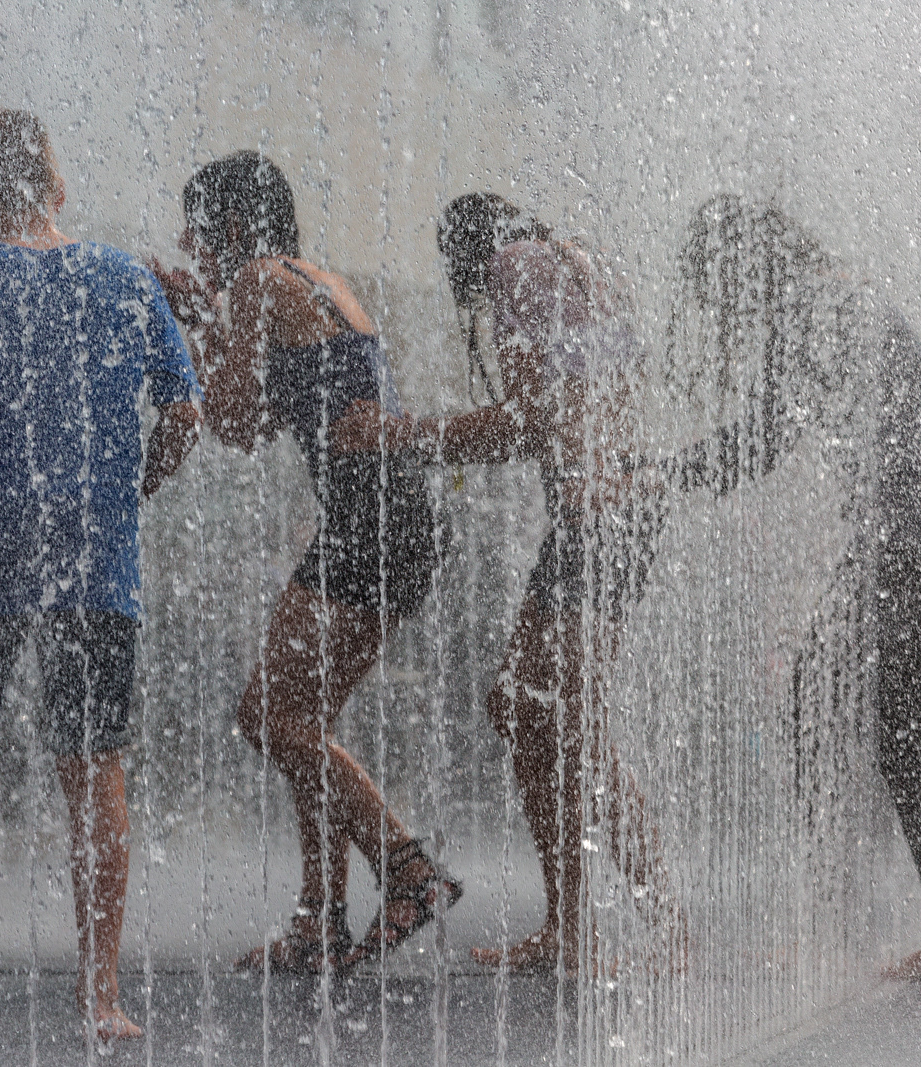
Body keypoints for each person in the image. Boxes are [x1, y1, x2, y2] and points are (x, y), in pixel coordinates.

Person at [0, 109, 202, 1040]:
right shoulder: (124, 276)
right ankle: (99, 991)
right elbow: (183, 413)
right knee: (94, 769)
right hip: (91, 555)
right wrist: (127, 492)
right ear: (55, 188)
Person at [331, 193, 674, 974]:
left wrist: (402, 435)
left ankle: (644, 928)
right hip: (621, 508)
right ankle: (583, 927)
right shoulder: (577, 262)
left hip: (599, 514)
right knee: (535, 712)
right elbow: (586, 403)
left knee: (554, 719)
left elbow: (526, 422)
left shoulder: (516, 268)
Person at [151, 152, 458, 976]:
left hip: (369, 520)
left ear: (240, 228)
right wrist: (205, 315)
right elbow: (256, 423)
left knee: (268, 717)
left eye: (199, 224)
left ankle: (407, 867)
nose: (190, 240)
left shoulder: (256, 280)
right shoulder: (314, 279)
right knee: (299, 723)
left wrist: (187, 317)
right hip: (399, 517)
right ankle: (320, 919)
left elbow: (228, 421)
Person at [674, 194, 921, 980]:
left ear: (750, 269)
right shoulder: (838, 298)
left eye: (723, 287)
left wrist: (659, 476)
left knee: (868, 725)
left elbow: (762, 440)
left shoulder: (815, 308)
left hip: (906, 536)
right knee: (853, 715)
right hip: (915, 531)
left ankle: (906, 926)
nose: (725, 308)